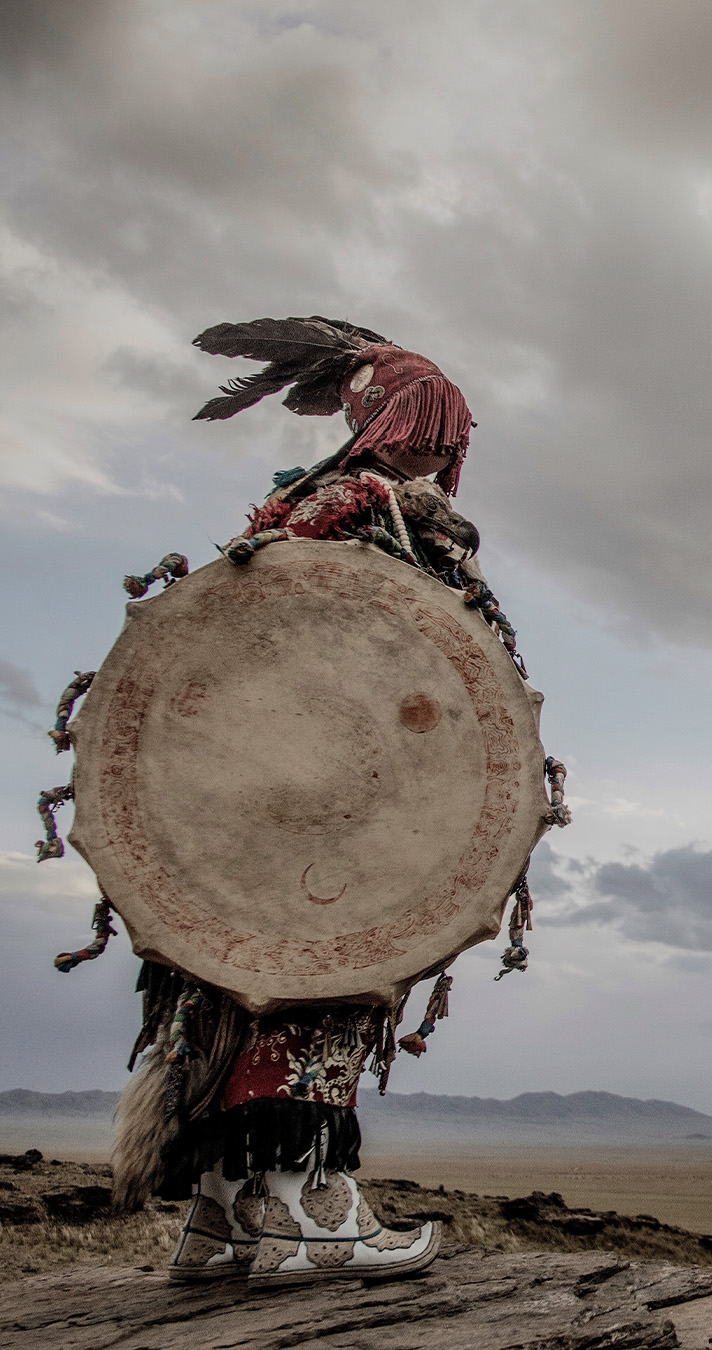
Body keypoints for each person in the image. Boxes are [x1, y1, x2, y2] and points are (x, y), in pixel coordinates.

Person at [114, 318, 498, 1286]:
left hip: (246, 812)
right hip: (328, 813)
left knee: (226, 999)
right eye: (436, 425)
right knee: (323, 991)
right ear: (398, 423)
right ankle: (307, 1211)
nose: (448, 450)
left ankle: (217, 1218)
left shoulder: (286, 512)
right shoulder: (376, 512)